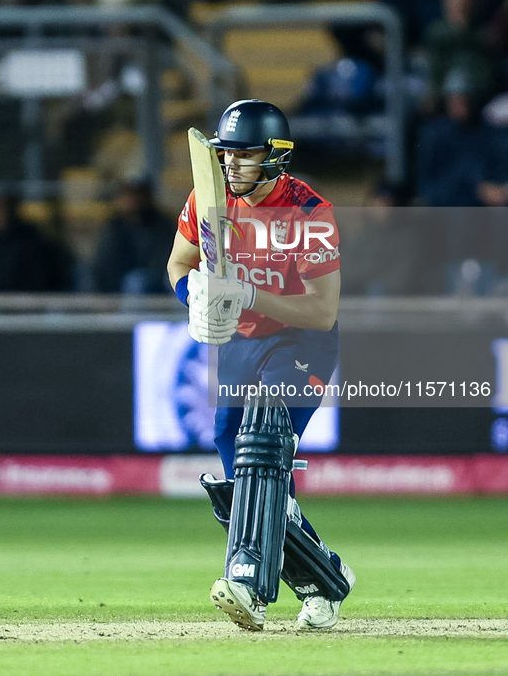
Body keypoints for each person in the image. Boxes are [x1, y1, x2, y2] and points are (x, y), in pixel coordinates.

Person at [166, 99, 355, 632]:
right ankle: (327, 578)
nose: (231, 167)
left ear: (276, 157)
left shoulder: (309, 212)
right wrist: (195, 296)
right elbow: (179, 263)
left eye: (245, 157)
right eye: (227, 156)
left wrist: (245, 292)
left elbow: (322, 311)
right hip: (240, 347)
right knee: (245, 486)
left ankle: (247, 581)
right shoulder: (210, 197)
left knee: (263, 440)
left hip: (302, 343)